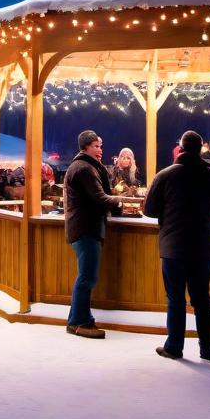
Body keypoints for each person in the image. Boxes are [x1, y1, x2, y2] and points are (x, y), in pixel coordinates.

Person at [144, 130, 210, 361]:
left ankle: (174, 347)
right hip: (202, 248)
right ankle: (208, 349)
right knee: (202, 298)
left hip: (173, 246)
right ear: (201, 149)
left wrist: (170, 210)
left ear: (181, 148)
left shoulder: (165, 176)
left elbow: (148, 210)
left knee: (175, 298)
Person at [63, 131, 125, 338]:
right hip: (85, 228)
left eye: (100, 146)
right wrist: (123, 201)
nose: (101, 150)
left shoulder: (85, 166)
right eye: (97, 146)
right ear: (86, 147)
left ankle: (77, 320)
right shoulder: (83, 169)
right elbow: (99, 197)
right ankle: (79, 322)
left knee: (86, 276)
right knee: (87, 277)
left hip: (85, 227)